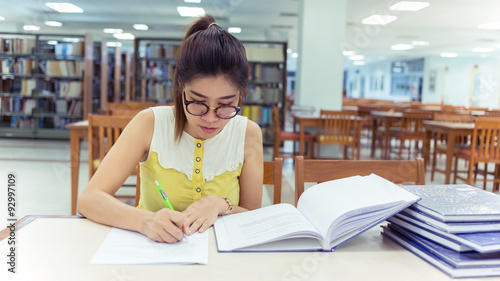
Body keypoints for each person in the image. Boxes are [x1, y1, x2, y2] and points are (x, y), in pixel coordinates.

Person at [78, 14, 263, 243]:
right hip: (153, 255)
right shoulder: (150, 123)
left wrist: (221, 205)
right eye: (198, 102)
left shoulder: (248, 133)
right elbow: (89, 199)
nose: (210, 118)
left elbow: (254, 218)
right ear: (180, 88)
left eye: (225, 105)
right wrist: (144, 221)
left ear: (241, 96)